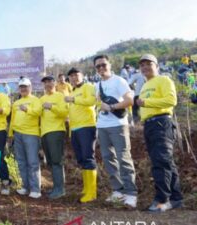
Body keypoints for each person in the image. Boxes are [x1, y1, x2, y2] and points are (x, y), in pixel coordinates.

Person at [136, 54, 183, 212]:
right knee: (166, 162)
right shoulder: (144, 85)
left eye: (149, 64)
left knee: (161, 162)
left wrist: (147, 102)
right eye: (142, 65)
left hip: (161, 123)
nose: (145, 67)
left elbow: (171, 101)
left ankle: (162, 200)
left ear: (157, 66)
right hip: (149, 125)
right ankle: (176, 198)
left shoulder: (164, 80)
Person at [94, 55, 138, 208]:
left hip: (118, 124)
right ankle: (118, 190)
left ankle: (131, 193)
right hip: (102, 125)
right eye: (98, 66)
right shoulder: (97, 84)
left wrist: (112, 107)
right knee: (108, 159)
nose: (101, 68)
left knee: (124, 158)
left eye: (103, 65)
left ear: (109, 64)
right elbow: (99, 103)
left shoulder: (119, 80)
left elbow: (129, 101)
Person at [64, 68, 97, 203]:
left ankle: (92, 192)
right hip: (75, 129)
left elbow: (91, 101)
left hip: (86, 126)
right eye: (71, 76)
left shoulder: (88, 87)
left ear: (82, 75)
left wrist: (73, 100)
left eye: (76, 75)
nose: (74, 78)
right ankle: (86, 188)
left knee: (88, 157)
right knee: (82, 159)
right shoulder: (73, 91)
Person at [8, 77, 42, 199]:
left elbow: (38, 112)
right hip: (17, 134)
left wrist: (27, 109)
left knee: (32, 162)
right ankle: (25, 187)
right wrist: (10, 134)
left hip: (31, 133)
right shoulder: (16, 103)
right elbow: (12, 120)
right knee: (21, 162)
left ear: (30, 88)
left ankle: (35, 189)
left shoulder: (35, 100)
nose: (23, 89)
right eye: (21, 87)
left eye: (25, 87)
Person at [40, 75, 68, 199]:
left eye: (50, 82)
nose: (48, 84)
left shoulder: (60, 96)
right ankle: (56, 187)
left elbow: (64, 113)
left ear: (55, 83)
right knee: (51, 162)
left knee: (57, 161)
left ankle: (60, 189)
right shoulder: (41, 98)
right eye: (45, 82)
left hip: (56, 131)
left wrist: (51, 107)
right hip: (44, 133)